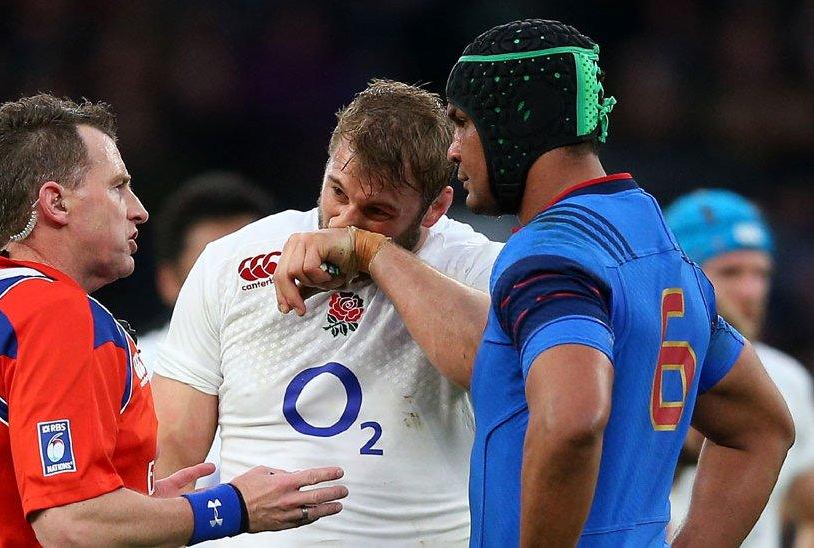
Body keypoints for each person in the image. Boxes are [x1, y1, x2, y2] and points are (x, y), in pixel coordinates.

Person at [273, 19, 794, 547]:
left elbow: (572, 421)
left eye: (462, 124)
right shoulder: (659, 249)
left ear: (514, 127)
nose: (453, 151)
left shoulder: (549, 254)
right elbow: (762, 427)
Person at [0, 94, 346, 547]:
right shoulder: (55, 314)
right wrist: (233, 506)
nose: (138, 210)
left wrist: (149, 509)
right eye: (117, 187)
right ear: (56, 203)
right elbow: (70, 524)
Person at [153, 79, 503, 546]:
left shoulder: (477, 266)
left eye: (377, 211)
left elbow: (489, 368)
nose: (344, 222)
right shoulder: (230, 262)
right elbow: (174, 447)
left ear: (435, 207)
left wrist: (372, 252)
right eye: (338, 193)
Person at [665, 189, 814, 547]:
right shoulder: (630, 370)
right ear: (684, 275)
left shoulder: (784, 377)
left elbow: (808, 509)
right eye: (730, 271)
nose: (751, 291)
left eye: (760, 274)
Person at [141, 172, 274, 490]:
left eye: (251, 268)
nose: (238, 290)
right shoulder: (132, 370)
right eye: (211, 273)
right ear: (169, 281)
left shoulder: (318, 353)